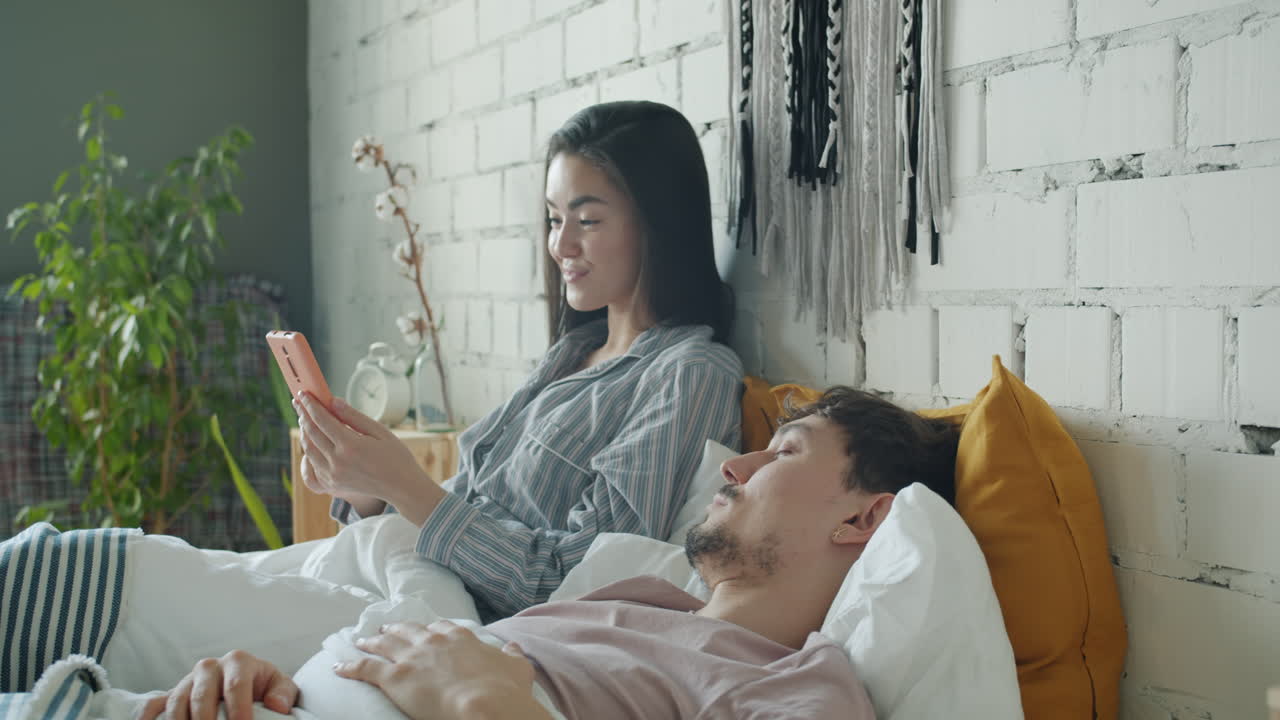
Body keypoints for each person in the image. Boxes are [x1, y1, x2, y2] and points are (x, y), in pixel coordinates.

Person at [144, 387, 960, 720]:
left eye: (784, 453)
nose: (733, 466)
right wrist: (273, 684)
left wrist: (484, 704)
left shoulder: (801, 691)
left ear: (864, 518)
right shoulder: (642, 596)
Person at [295, 100, 743, 620]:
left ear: (658, 223)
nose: (560, 245)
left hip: (462, 618)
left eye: (588, 220)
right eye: (554, 219)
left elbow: (578, 584)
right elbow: (465, 507)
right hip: (407, 575)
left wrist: (403, 483)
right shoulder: (573, 353)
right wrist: (366, 489)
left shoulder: (691, 375)